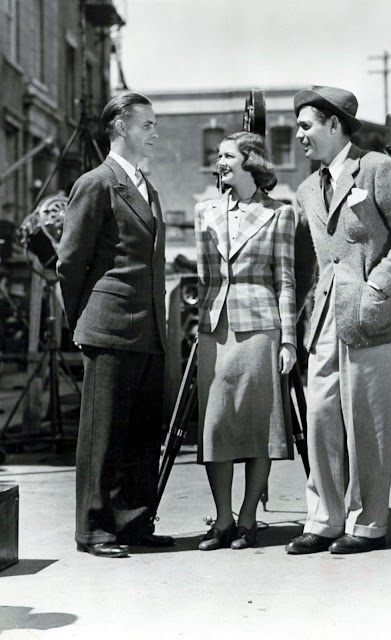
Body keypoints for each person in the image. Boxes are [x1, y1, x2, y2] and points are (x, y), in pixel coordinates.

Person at [285, 86, 391, 555]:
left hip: (371, 314)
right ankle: (324, 519)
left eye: (306, 125)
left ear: (334, 125)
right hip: (325, 318)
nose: (299, 135)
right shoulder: (307, 189)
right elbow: (312, 259)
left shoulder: (378, 169)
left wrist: (378, 287)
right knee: (321, 416)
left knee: (369, 420)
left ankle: (369, 522)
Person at [57, 93, 174, 558]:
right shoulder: (96, 183)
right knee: (102, 434)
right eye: (147, 124)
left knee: (142, 432)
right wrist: (83, 319)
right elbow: (70, 262)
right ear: (122, 127)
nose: (154, 133)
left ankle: (133, 522)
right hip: (109, 325)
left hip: (148, 327)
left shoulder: (147, 188)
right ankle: (94, 528)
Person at [194, 131, 297, 550]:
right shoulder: (204, 211)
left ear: (250, 161)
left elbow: (285, 280)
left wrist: (289, 341)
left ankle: (248, 518)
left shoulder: (280, 213)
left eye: (227, 156)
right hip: (215, 328)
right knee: (215, 425)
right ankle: (222, 520)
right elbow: (204, 278)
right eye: (218, 155)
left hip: (260, 328)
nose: (219, 162)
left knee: (259, 425)